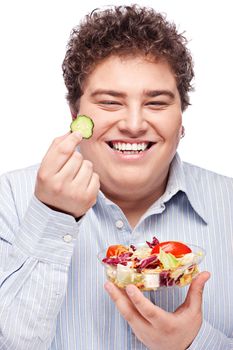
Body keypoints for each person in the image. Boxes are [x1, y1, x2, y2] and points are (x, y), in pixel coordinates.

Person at [0, 4, 232, 350]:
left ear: (181, 120)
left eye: (156, 103)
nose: (135, 124)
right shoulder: (11, 198)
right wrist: (52, 216)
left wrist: (193, 343)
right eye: (110, 102)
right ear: (76, 114)